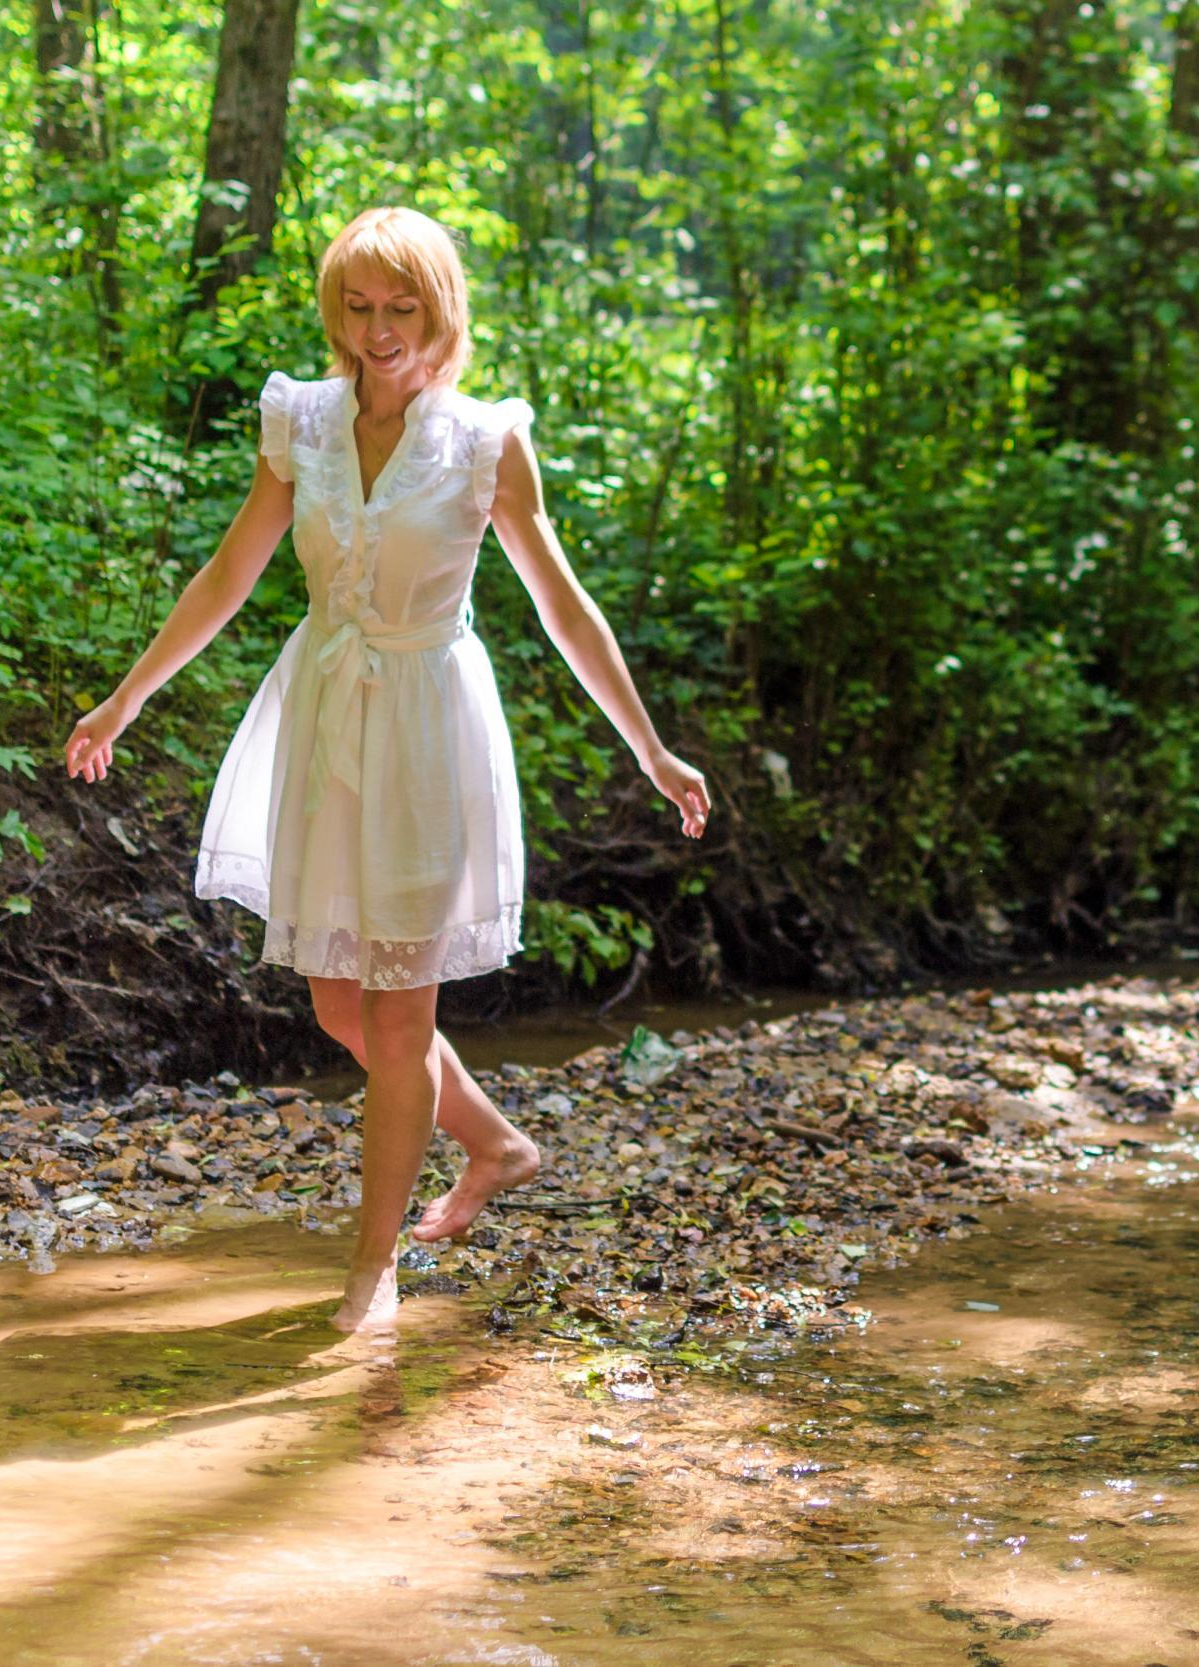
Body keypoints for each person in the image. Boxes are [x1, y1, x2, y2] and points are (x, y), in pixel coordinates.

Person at [61, 206, 712, 1334]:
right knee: (335, 999)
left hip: (426, 732)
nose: (378, 329)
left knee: (401, 1019)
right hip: (321, 719)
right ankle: (496, 1143)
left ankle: (372, 1267)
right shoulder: (301, 423)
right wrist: (127, 695)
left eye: (400, 306)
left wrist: (648, 746)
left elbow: (562, 603)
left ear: (440, 308)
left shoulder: (484, 442)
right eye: (357, 306)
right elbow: (230, 571)